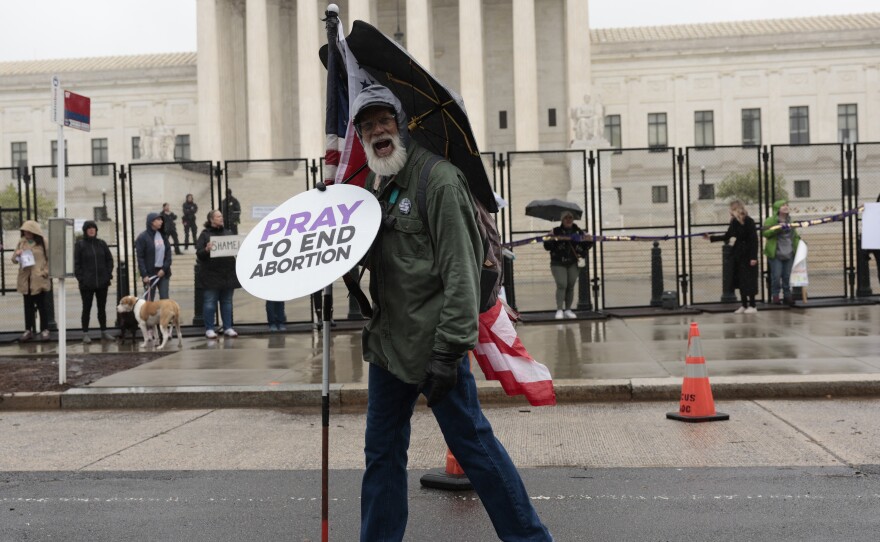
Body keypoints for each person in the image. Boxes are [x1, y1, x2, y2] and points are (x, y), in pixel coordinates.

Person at [352, 84, 552, 542]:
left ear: (401, 126)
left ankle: (530, 539)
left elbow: (461, 273)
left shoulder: (438, 180)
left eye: (384, 121)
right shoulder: (377, 185)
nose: (377, 131)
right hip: (388, 346)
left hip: (432, 344)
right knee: (381, 455)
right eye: (367, 126)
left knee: (475, 449)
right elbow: (381, 259)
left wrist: (449, 351)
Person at [705, 200, 759, 313]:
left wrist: (753, 257)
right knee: (740, 280)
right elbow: (727, 236)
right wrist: (711, 238)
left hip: (748, 254)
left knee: (749, 280)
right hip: (738, 253)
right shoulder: (734, 222)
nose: (729, 211)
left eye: (731, 209)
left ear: (736, 209)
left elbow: (754, 240)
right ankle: (744, 305)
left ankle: (752, 305)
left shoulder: (749, 221)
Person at [195, 209, 240, 339]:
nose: (221, 218)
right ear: (211, 219)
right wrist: (206, 249)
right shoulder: (205, 235)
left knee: (227, 302)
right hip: (211, 276)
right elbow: (199, 254)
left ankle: (228, 327)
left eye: (221, 216)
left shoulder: (228, 233)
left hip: (227, 275)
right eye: (218, 216)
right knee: (210, 302)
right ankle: (209, 328)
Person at [543, 211, 592, 319]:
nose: (569, 220)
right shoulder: (556, 231)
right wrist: (548, 237)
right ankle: (559, 309)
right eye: (566, 218)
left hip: (573, 262)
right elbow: (547, 246)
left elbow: (586, 246)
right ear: (562, 219)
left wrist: (589, 240)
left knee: (570, 285)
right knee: (562, 284)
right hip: (558, 262)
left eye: (570, 217)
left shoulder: (579, 232)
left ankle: (568, 309)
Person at [74, 220, 114, 343]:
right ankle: (85, 333)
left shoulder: (102, 244)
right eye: (89, 228)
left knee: (102, 308)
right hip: (87, 284)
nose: (92, 230)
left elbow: (109, 260)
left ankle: (104, 331)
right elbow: (77, 264)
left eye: (93, 228)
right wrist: (82, 279)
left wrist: (107, 275)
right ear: (85, 231)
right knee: (86, 308)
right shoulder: (80, 245)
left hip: (102, 283)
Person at [12, 220, 51, 341]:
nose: (25, 232)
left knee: (42, 306)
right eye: (24, 230)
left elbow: (50, 259)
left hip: (39, 279)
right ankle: (28, 330)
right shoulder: (21, 242)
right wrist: (17, 254)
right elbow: (14, 260)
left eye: (28, 230)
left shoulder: (44, 242)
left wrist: (44, 272)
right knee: (28, 307)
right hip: (26, 280)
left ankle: (45, 329)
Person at [763, 199, 800, 306]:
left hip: (789, 252)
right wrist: (777, 229)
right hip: (776, 253)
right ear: (777, 208)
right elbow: (765, 233)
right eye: (783, 205)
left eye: (786, 205)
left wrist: (799, 246)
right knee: (776, 275)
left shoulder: (790, 221)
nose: (785, 206)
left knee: (787, 276)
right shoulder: (770, 220)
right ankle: (775, 296)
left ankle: (787, 296)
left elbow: (795, 235)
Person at [135, 212, 172, 300]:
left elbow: (168, 254)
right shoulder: (142, 237)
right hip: (150, 274)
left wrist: (164, 269)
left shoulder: (163, 236)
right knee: (149, 300)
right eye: (158, 220)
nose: (161, 222)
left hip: (163, 273)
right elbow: (140, 258)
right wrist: (144, 275)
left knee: (164, 299)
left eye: (161, 220)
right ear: (152, 222)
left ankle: (164, 314)